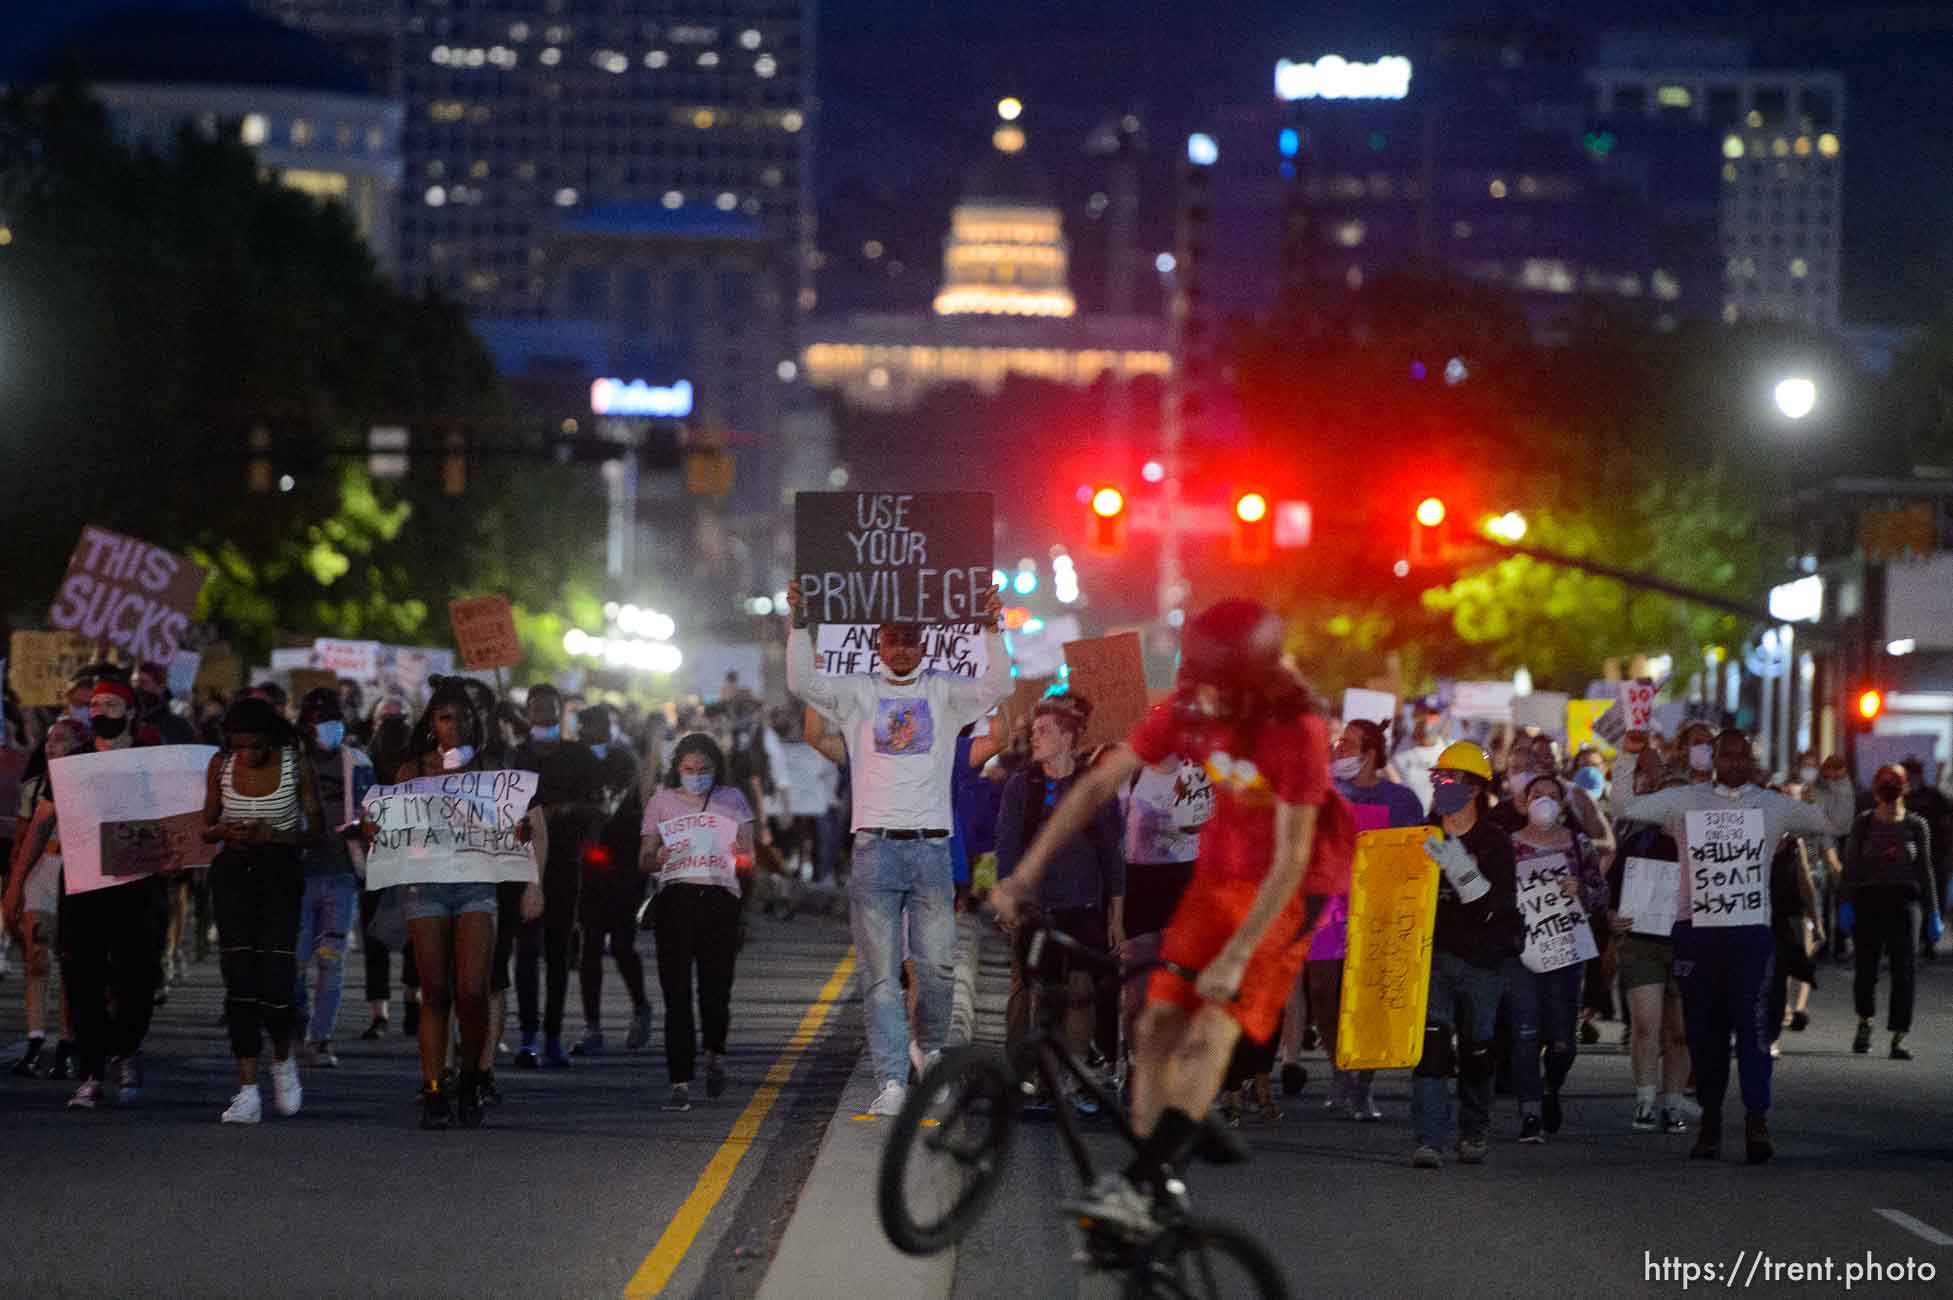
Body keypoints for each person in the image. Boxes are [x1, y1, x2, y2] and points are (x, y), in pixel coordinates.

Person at [994, 600, 1354, 1231]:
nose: (1202, 698)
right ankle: (1166, 1156)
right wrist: (1023, 874)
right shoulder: (1188, 703)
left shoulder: (1296, 729)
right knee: (1156, 1021)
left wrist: (1240, 954)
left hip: (1293, 885)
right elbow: (1098, 785)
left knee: (1213, 1020)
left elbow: (1293, 856)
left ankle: (1138, 1185)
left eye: (1217, 686)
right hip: (1218, 872)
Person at [784, 581, 1009, 1117]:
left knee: (935, 969)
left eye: (910, 639)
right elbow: (801, 682)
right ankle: (889, 1079)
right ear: (878, 644)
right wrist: (798, 621)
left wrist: (993, 626)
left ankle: (930, 1056)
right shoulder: (857, 691)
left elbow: (999, 683)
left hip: (932, 850)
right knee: (881, 975)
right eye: (893, 639)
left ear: (924, 645)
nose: (902, 648)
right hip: (874, 850)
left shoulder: (946, 693)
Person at [1610, 727, 1854, 1163]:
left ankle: (1757, 1119)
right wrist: (1627, 758)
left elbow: (1836, 822)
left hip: (1749, 936)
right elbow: (1624, 806)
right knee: (1704, 1034)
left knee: (1754, 1031)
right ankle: (1710, 1122)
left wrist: (1837, 783)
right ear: (1714, 759)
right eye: (1728, 755)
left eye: (1743, 756)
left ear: (1752, 759)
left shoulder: (1772, 805)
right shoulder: (1684, 800)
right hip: (1696, 933)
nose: (1736, 764)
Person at [378, 681, 541, 1129]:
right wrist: (380, 829)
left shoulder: (492, 772)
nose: (456, 725)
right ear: (432, 724)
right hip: (427, 887)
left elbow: (516, 827)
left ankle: (471, 1078)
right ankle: (434, 1088)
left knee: (472, 992)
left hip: (475, 886)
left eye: (464, 717)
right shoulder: (412, 772)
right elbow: (391, 831)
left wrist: (519, 837)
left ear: (477, 723)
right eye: (446, 717)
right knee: (435, 993)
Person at [28, 681, 172, 1108]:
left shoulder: (151, 765)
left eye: (110, 703)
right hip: (83, 885)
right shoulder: (73, 765)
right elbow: (41, 822)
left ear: (129, 712)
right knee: (82, 978)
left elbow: (174, 820)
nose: (100, 710)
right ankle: (91, 1073)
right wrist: (18, 880)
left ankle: (126, 1049)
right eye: (93, 705)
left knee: (137, 976)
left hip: (136, 887)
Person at [995, 694, 1125, 1116]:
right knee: (1038, 992)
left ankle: (1071, 1077)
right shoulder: (1022, 785)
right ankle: (1029, 1077)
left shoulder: (1093, 786)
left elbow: (1111, 853)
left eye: (1044, 731)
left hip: (1084, 903)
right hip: (1037, 908)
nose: (1034, 737)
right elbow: (1007, 849)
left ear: (1068, 737)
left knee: (1082, 990)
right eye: (1033, 731)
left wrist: (1116, 914)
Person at [200, 696, 325, 1123]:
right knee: (239, 981)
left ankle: (283, 1062)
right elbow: (205, 825)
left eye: (254, 746)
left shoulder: (296, 765)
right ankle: (247, 1090)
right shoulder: (220, 766)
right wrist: (225, 831)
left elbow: (317, 830)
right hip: (233, 873)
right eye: (238, 746)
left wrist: (276, 835)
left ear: (271, 739)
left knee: (276, 978)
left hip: (279, 875)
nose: (246, 755)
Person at [1407, 742, 1522, 1169]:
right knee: (1432, 1048)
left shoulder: (1494, 843)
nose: (1441, 785)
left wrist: (1463, 870)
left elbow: (1498, 907)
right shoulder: (1421, 835)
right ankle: (1429, 1139)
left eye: (1450, 779)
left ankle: (1474, 1130)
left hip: (1482, 961)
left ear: (1474, 789)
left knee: (1477, 1049)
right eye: (1438, 778)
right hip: (1432, 957)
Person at [1307, 717, 1422, 1117]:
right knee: (1322, 987)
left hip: (1377, 907)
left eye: (1348, 745)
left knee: (1369, 994)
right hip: (1329, 904)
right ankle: (1339, 1061)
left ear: (1371, 754)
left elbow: (1412, 857)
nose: (1339, 750)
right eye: (1338, 744)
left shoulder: (1402, 800)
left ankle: (1364, 1082)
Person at [639, 733, 754, 1111]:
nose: (697, 776)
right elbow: (645, 858)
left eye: (704, 770)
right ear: (677, 769)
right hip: (676, 900)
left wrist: (740, 856)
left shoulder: (732, 800)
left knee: (715, 989)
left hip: (720, 901)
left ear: (716, 769)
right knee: (676, 994)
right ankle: (679, 1081)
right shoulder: (661, 802)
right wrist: (660, 857)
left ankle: (715, 1053)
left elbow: (750, 856)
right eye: (689, 769)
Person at [504, 684, 604, 1069]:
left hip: (565, 864)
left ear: (561, 713)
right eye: (536, 709)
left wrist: (564, 811)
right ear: (527, 714)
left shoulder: (578, 756)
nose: (543, 716)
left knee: (559, 953)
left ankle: (552, 1036)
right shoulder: (517, 757)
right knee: (525, 952)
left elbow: (598, 805)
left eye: (550, 710)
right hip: (523, 865)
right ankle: (527, 1037)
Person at [1504, 772, 1607, 1143]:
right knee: (1525, 1033)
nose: (1543, 801)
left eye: (1551, 795)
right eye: (1536, 795)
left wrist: (1581, 890)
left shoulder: (1579, 846)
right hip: (1523, 953)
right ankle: (1529, 1111)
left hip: (1565, 949)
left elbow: (1601, 893)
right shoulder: (1507, 847)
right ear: (1524, 802)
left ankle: (1551, 1086)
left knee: (1563, 1040)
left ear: (1563, 806)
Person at [292, 687, 372, 1069]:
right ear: (307, 725)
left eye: (335, 719)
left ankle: (320, 1039)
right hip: (299, 876)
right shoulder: (291, 765)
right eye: (322, 720)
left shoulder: (358, 762)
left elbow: (375, 810)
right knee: (295, 960)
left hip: (342, 874)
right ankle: (295, 1029)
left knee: (332, 961)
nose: (330, 727)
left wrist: (363, 829)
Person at [1608, 774, 1693, 1134]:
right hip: (1642, 943)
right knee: (1646, 1025)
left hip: (1690, 944)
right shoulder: (1637, 843)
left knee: (1681, 1031)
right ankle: (1645, 1100)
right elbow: (1610, 893)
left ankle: (1672, 1104)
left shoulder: (1702, 846)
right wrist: (1612, 918)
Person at [3, 719, 86, 1079]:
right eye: (50, 741)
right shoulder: (34, 789)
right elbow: (22, 842)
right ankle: (35, 1041)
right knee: (37, 958)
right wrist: (14, 886)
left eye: (62, 741)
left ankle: (67, 1045)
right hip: (40, 873)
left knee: (69, 961)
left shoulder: (88, 786)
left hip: (76, 872)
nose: (52, 747)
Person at [1842, 764, 1939, 1061]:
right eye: (1885, 781)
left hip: (1905, 903)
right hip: (1869, 900)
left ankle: (1899, 1035)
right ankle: (1865, 1022)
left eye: (1895, 782)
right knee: (1866, 969)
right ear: (1875, 788)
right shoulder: (1865, 823)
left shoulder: (1915, 826)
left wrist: (1932, 912)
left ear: (1905, 787)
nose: (1890, 787)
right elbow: (1851, 865)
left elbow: (1925, 871)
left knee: (1904, 971)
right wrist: (1846, 903)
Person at [574, 704, 652, 1055]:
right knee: (590, 945)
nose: (584, 735)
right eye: (581, 728)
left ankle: (640, 1007)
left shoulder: (623, 761)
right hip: (587, 869)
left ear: (605, 728)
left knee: (621, 943)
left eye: (590, 727)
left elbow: (611, 804)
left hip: (623, 866)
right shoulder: (574, 759)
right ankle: (592, 1026)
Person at [1392, 699, 1448, 814]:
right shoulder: (1396, 745)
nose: (1426, 718)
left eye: (1432, 713)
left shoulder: (1447, 752)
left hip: (1429, 824)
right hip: (1399, 820)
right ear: (1414, 714)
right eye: (1422, 712)